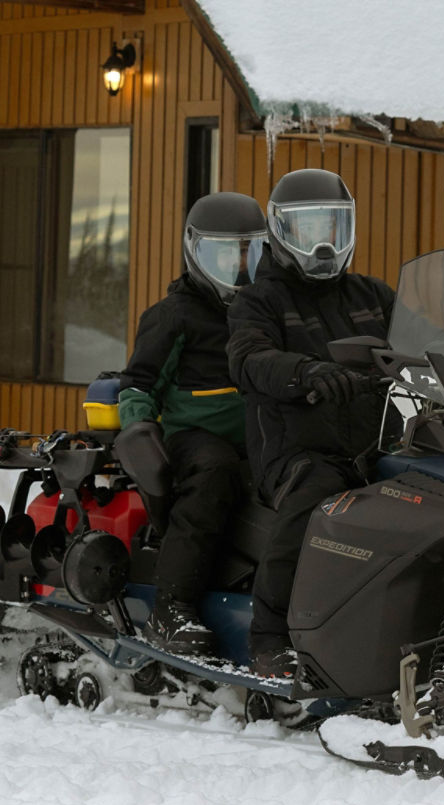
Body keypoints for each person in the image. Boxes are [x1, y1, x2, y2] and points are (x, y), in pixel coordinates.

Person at [226, 169, 395, 677]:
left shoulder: (374, 295)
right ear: (280, 233)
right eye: (307, 230)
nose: (322, 245)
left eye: (332, 229)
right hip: (298, 450)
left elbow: (433, 341)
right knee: (317, 495)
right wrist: (305, 372)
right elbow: (248, 359)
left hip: (376, 443)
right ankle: (271, 637)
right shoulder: (260, 300)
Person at [118, 192, 268, 655]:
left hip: (262, 437)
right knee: (215, 470)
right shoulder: (175, 315)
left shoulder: (265, 310)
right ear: (195, 253)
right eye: (223, 253)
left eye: (249, 252)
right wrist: (140, 434)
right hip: (191, 441)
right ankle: (172, 607)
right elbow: (138, 384)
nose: (237, 265)